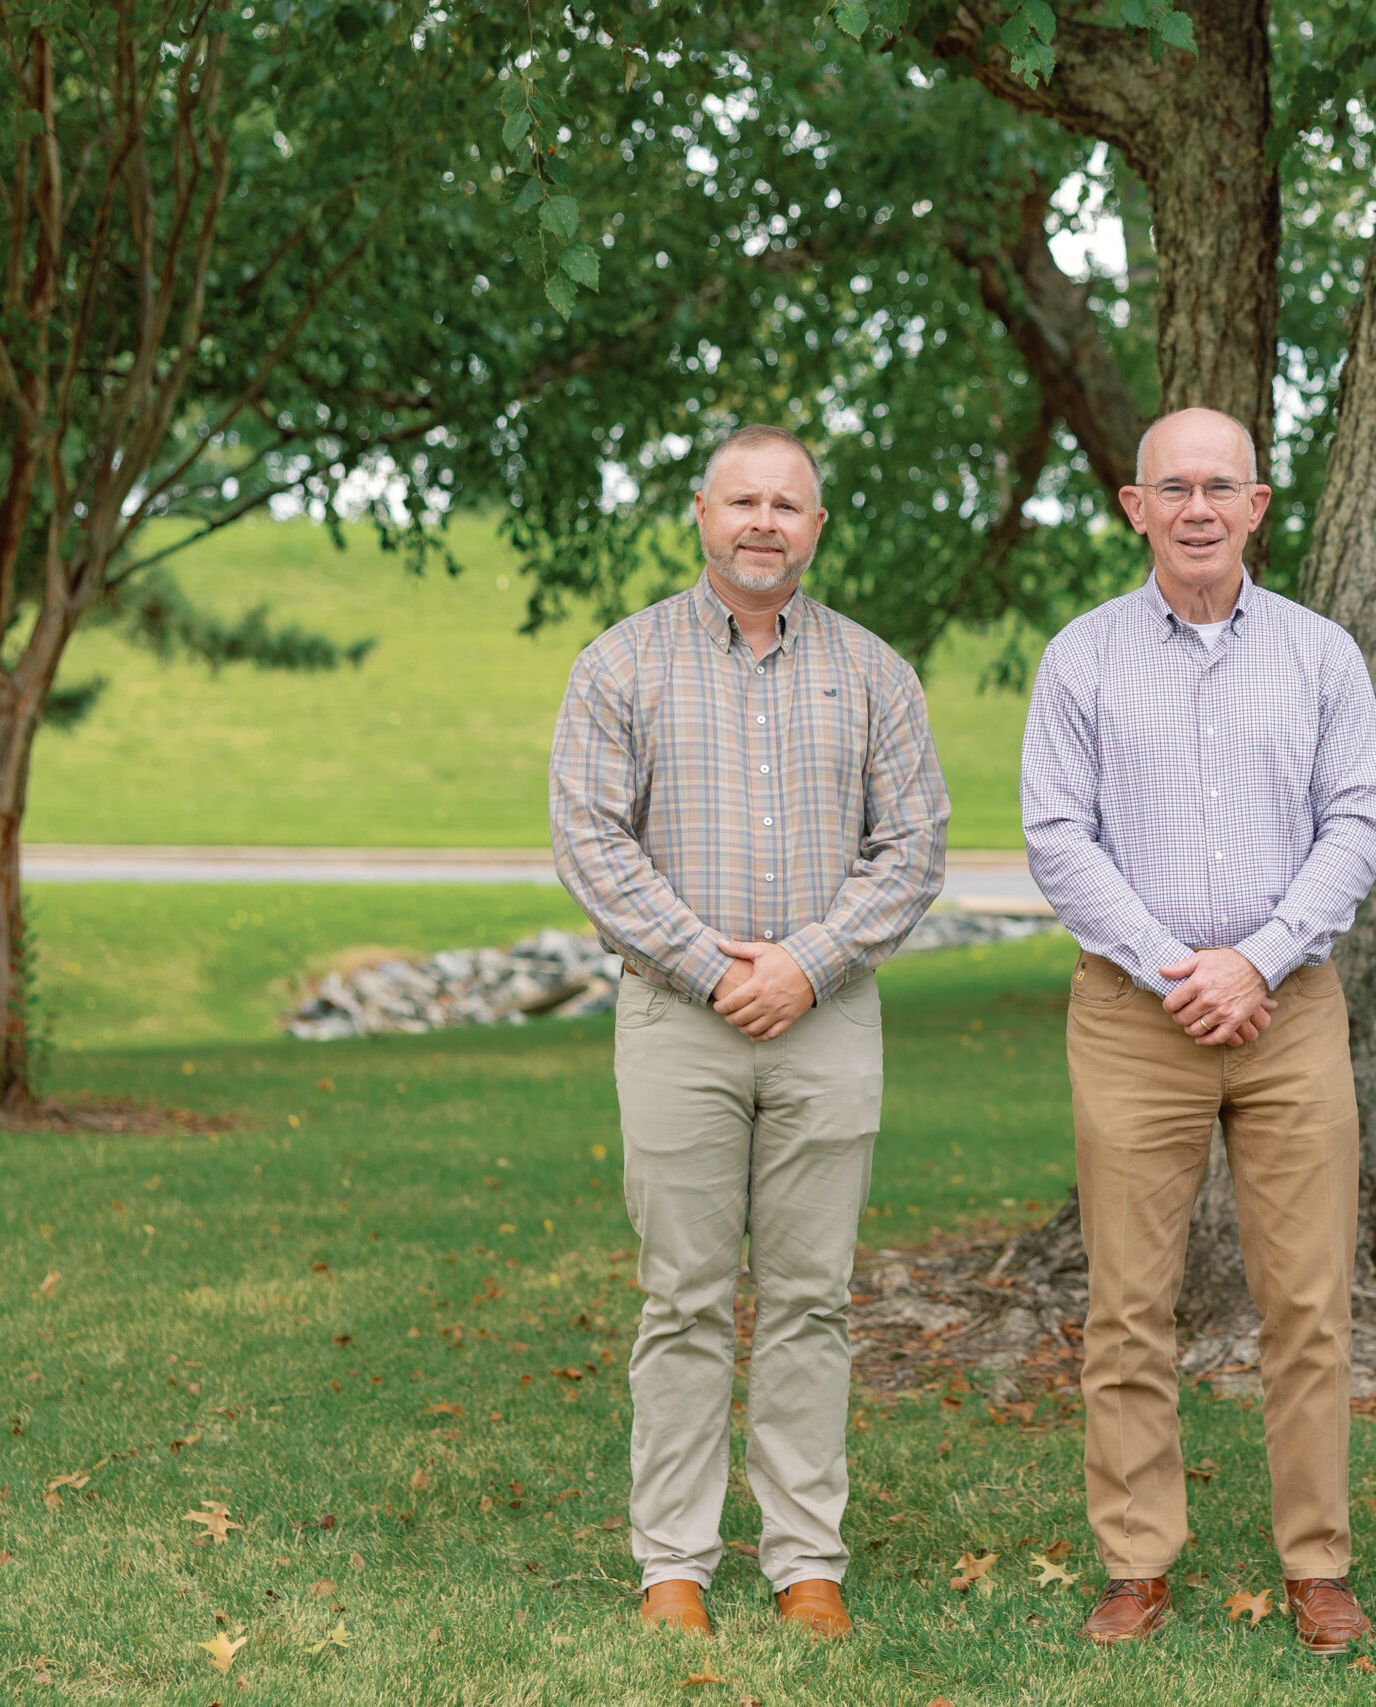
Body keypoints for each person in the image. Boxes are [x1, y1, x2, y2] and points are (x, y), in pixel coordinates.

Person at [551, 425, 949, 1641]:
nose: (765, 522)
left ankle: (803, 1561)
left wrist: (806, 964)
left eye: (789, 504)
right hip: (680, 1023)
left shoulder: (874, 671)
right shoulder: (619, 666)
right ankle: (673, 1559)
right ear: (702, 514)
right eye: (744, 501)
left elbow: (916, 844)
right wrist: (714, 970)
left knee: (811, 1299)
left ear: (816, 527)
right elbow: (592, 843)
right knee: (680, 1295)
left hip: (827, 1022)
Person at [1021, 407, 1376, 1657]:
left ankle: (1317, 1565)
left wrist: (1257, 960)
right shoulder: (1079, 658)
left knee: (1308, 1302)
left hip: (1290, 1014)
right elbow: (1056, 835)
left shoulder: (1320, 655)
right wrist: (1178, 966)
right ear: (1134, 507)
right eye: (1170, 487)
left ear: (1257, 506)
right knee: (1130, 1305)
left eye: (1217, 487)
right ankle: (1135, 1561)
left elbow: (1357, 820)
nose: (1194, 508)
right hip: (1136, 1015)